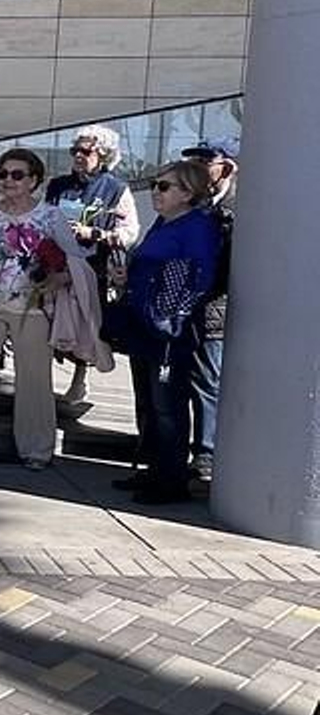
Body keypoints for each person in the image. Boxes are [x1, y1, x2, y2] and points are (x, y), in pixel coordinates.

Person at [0, 149, 84, 469]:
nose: (8, 180)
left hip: (34, 308)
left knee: (35, 379)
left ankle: (36, 449)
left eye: (17, 174)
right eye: (3, 174)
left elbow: (75, 260)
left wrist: (58, 276)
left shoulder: (51, 216)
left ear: (34, 179)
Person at [111, 160, 221, 505]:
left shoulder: (198, 227)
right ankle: (155, 469)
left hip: (168, 331)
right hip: (144, 324)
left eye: (164, 186)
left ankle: (170, 480)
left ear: (187, 193)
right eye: (156, 184)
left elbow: (200, 277)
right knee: (150, 403)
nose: (156, 192)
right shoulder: (164, 223)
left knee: (168, 406)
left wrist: (171, 314)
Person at [45, 125, 140, 405]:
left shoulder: (116, 189)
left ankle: (79, 380)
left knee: (85, 325)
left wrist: (96, 234)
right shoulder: (58, 185)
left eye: (85, 151)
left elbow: (129, 232)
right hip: (55, 263)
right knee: (49, 322)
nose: (78, 156)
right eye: (75, 150)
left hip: (91, 267)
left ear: (104, 155)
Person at [179, 138, 237, 481]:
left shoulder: (236, 208)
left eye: (205, 161)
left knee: (206, 381)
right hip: (185, 310)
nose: (197, 167)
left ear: (226, 167)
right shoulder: (195, 205)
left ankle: (206, 454)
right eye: (194, 160)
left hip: (213, 309)